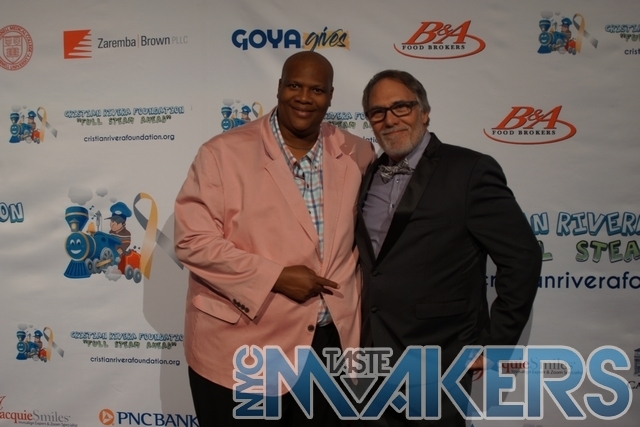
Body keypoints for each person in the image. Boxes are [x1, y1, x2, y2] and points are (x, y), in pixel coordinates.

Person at [174, 51, 375, 426]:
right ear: (279, 87)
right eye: (295, 85)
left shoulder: (358, 153)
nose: (304, 97)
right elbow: (192, 241)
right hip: (241, 347)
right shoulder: (222, 153)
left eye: (317, 89)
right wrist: (275, 277)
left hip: (329, 348)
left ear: (331, 96)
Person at [356, 70, 542, 426]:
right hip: (370, 356)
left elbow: (522, 257)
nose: (389, 119)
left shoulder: (470, 170)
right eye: (377, 112)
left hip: (440, 356)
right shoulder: (366, 174)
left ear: (424, 112)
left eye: (401, 107)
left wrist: (495, 344)